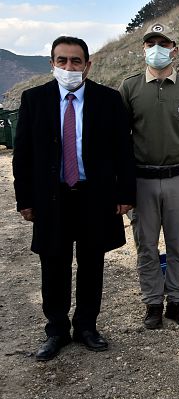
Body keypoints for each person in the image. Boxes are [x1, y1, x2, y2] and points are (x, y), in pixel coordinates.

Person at [12, 36, 135, 361]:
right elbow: (22, 154)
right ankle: (56, 330)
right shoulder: (34, 99)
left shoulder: (108, 100)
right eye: (62, 61)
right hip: (52, 198)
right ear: (52, 64)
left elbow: (123, 151)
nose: (69, 67)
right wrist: (25, 198)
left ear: (87, 65)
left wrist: (125, 193)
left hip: (94, 197)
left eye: (76, 61)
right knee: (53, 264)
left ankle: (86, 326)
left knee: (92, 263)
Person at [119, 22, 179, 329]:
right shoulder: (129, 88)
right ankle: (153, 304)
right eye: (150, 43)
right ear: (143, 49)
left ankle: (177, 302)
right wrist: (122, 184)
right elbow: (120, 139)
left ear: (175, 49)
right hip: (141, 180)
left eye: (163, 43)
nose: (156, 49)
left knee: (178, 243)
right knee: (146, 245)